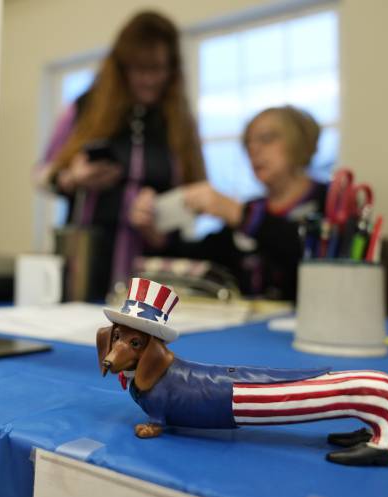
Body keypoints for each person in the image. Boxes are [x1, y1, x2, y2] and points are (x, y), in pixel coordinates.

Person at [38, 11, 205, 300]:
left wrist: (159, 216)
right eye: (139, 69)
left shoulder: (180, 122)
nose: (149, 80)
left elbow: (197, 194)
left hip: (154, 271)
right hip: (87, 265)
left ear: (172, 69)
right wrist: (73, 178)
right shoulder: (82, 109)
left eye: (158, 69)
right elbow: (42, 174)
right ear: (121, 67)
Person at [174, 105, 328, 300]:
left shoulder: (329, 199)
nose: (253, 149)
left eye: (266, 138)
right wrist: (158, 235)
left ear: (299, 141)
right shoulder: (254, 208)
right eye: (248, 143)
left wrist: (241, 215)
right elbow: (199, 257)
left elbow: (310, 255)